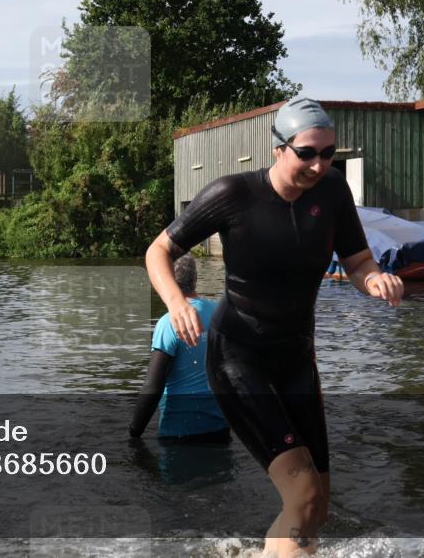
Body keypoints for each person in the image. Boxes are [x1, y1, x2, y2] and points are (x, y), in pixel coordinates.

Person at [144, 96, 403, 558]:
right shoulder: (232, 195)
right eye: (307, 153)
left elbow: (358, 261)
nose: (319, 164)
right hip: (238, 356)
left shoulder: (333, 192)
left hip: (296, 357)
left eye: (328, 153)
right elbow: (158, 250)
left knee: (316, 506)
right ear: (278, 149)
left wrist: (375, 278)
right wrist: (176, 301)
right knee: (301, 496)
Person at [129, 254, 229, 442]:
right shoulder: (220, 314)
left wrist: (134, 434)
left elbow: (152, 387)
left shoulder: (168, 323)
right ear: (195, 280)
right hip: (219, 428)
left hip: (178, 431)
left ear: (165, 281)